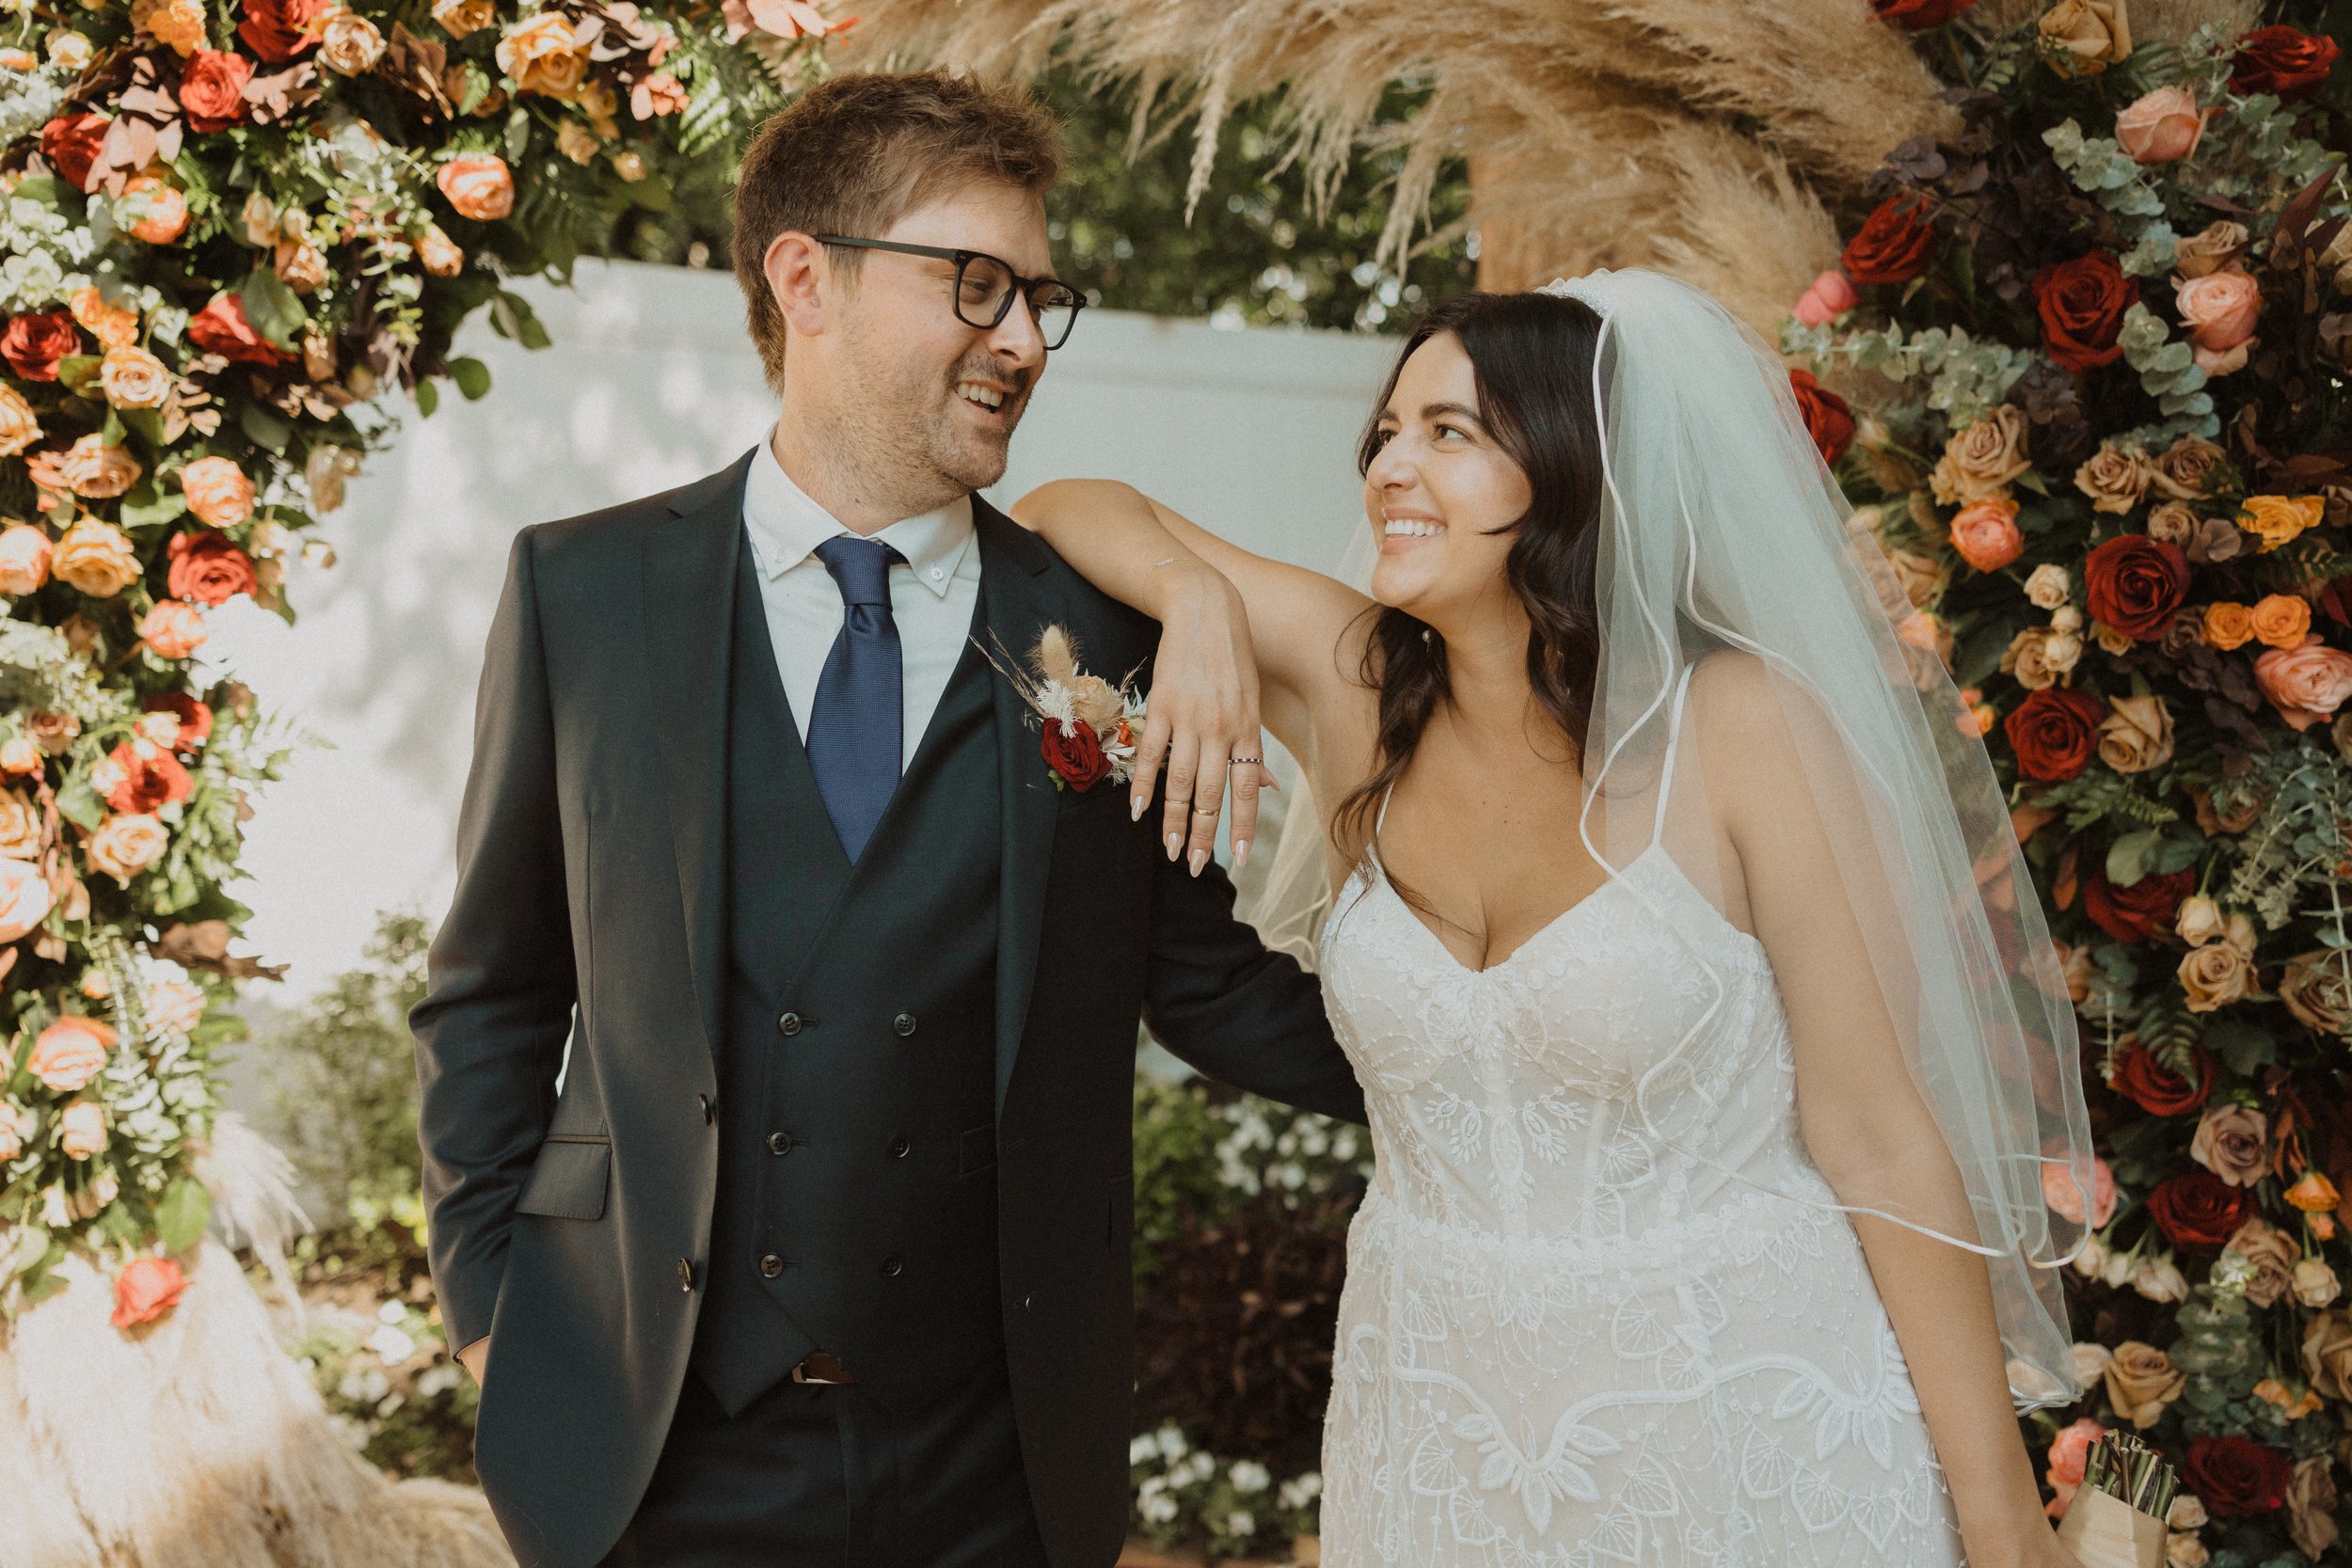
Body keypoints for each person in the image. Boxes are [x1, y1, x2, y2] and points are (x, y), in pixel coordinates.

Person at [409, 70, 1363, 1568]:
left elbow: (1208, 982)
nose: (1024, 341)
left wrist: (1508, 1062)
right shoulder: (584, 593)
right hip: (655, 1461)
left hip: (992, 1473)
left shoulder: (1100, 629)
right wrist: (493, 1328)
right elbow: (493, 994)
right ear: (806, 279)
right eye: (977, 285)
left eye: (1044, 298)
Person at [1013, 275, 2098, 1566]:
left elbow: (1878, 1137)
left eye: (1451, 435)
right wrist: (1195, 601)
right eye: (1388, 434)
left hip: (1743, 1426)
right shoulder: (1359, 689)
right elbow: (1064, 507)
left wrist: (2003, 1524)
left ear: (1578, 468)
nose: (1391, 470)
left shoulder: (1745, 728)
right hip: (1433, 1425)